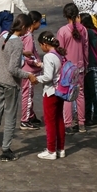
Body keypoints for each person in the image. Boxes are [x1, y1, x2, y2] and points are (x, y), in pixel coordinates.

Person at [0, 14, 38, 161]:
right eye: (27, 28)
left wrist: (22, 53)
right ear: (23, 27)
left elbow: (6, 52)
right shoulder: (18, 43)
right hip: (9, 83)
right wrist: (29, 75)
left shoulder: (4, 35)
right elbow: (13, 69)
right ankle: (6, 149)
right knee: (10, 116)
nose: (27, 31)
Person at [35, 31, 67, 160]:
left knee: (50, 122)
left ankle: (51, 150)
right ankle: (60, 148)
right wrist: (42, 65)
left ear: (44, 44)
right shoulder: (58, 54)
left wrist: (36, 78)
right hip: (60, 91)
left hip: (50, 92)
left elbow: (48, 76)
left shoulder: (48, 56)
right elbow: (56, 68)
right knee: (59, 120)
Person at [58, 3, 90, 134]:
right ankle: (81, 122)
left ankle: (68, 124)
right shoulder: (83, 30)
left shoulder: (63, 31)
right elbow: (86, 49)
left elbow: (60, 51)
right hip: (80, 67)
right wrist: (86, 64)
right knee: (80, 94)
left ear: (65, 15)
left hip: (67, 68)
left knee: (67, 96)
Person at [82, 13, 97, 127]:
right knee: (90, 93)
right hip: (90, 66)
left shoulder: (89, 33)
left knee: (93, 94)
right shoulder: (92, 32)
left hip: (91, 66)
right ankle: (90, 116)